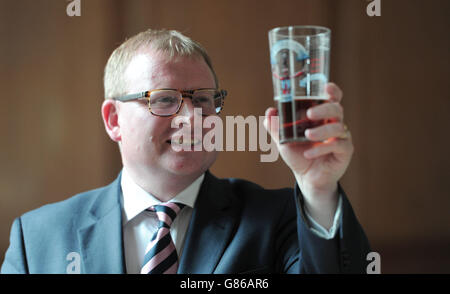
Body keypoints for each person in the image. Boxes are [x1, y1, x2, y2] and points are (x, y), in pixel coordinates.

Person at [1, 29, 370, 274]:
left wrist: (318, 187)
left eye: (205, 100)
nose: (193, 118)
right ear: (113, 119)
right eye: (164, 100)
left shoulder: (279, 220)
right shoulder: (37, 240)